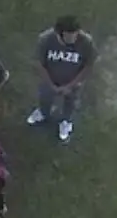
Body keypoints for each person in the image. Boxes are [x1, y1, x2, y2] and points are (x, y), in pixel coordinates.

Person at [29, 15, 98, 144]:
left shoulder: (86, 41)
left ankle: (66, 121)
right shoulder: (45, 39)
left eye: (76, 34)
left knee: (70, 101)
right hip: (50, 79)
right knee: (45, 97)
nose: (73, 39)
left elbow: (89, 65)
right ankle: (43, 112)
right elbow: (38, 63)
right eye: (69, 36)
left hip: (73, 82)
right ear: (58, 34)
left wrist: (71, 85)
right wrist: (51, 85)